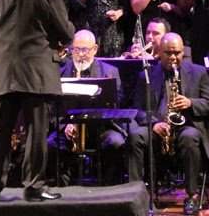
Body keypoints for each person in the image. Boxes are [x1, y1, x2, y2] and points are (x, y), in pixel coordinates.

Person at [0, 0, 75, 202]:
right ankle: (33, 186)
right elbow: (66, 33)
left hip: (4, 73)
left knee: (0, 130)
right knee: (36, 131)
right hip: (37, 73)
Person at [134, 32, 209, 216]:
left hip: (187, 126)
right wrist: (154, 124)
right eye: (168, 53)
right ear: (159, 53)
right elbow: (137, 110)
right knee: (136, 136)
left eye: (177, 53)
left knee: (189, 137)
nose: (173, 58)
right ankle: (137, 196)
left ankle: (192, 195)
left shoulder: (198, 72)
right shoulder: (145, 76)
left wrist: (190, 103)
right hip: (159, 128)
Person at [50, 30, 146, 186]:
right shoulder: (60, 73)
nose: (80, 55)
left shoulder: (110, 72)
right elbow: (52, 108)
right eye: (76, 50)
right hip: (69, 129)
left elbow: (117, 103)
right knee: (50, 144)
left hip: (101, 128)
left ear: (95, 49)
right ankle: (64, 192)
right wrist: (64, 126)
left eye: (84, 50)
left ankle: (109, 190)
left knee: (116, 143)